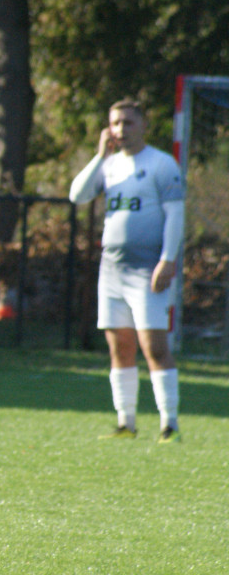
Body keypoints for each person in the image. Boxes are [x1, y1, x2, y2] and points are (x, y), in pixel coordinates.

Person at [70, 99, 185, 444]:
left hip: (148, 269)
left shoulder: (161, 164)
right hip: (112, 268)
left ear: (143, 125)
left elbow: (175, 214)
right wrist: (99, 156)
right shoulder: (109, 165)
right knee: (119, 346)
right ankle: (126, 423)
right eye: (116, 123)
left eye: (128, 122)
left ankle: (169, 425)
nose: (121, 129)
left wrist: (168, 259)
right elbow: (77, 195)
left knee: (154, 347)